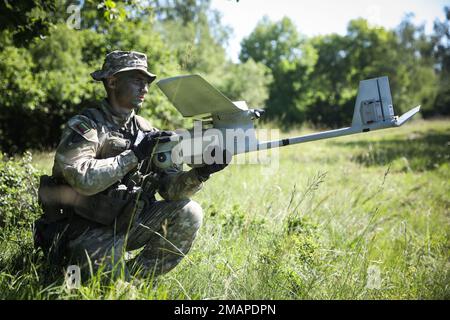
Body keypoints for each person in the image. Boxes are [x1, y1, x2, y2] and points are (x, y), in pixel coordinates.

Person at [34, 50, 230, 280]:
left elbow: (171, 191)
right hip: (85, 229)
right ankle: (105, 276)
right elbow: (82, 179)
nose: (145, 88)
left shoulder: (146, 130)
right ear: (113, 81)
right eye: (137, 81)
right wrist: (134, 155)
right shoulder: (86, 126)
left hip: (129, 223)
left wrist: (200, 173)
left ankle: (136, 278)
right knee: (110, 290)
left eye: (147, 82)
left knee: (189, 212)